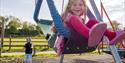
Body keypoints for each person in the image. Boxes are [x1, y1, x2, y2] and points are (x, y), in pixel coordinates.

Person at [47, 0, 125, 55]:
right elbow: (58, 28)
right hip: (70, 40)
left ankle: (111, 36)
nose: (77, 7)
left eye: (80, 5)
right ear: (69, 7)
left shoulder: (81, 19)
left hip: (83, 39)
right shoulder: (68, 17)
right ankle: (91, 35)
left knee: (92, 22)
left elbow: (82, 28)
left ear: (84, 7)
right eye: (74, 5)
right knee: (74, 18)